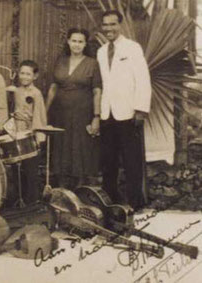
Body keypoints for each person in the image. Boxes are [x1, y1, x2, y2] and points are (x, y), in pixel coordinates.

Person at [96, 10, 151, 210]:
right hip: (107, 113)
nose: (109, 28)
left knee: (132, 161)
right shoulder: (101, 51)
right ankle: (110, 203)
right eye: (105, 25)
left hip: (129, 113)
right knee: (108, 161)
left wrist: (140, 110)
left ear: (120, 25)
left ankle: (136, 203)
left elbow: (143, 79)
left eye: (113, 24)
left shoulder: (132, 48)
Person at [46, 28, 102, 189]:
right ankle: (62, 187)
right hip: (60, 113)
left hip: (82, 113)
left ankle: (80, 187)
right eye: (74, 41)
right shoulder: (61, 60)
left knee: (80, 146)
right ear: (68, 42)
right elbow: (53, 88)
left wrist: (96, 116)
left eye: (80, 41)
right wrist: (44, 112)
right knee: (61, 145)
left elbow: (97, 91)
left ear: (85, 44)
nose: (77, 45)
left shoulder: (92, 64)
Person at [13, 60, 47, 204]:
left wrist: (38, 137)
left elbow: (39, 116)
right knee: (17, 170)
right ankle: (18, 201)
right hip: (16, 134)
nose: (24, 77)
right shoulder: (16, 91)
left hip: (29, 136)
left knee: (30, 171)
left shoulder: (36, 93)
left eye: (28, 74)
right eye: (22, 73)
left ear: (35, 76)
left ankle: (32, 203)